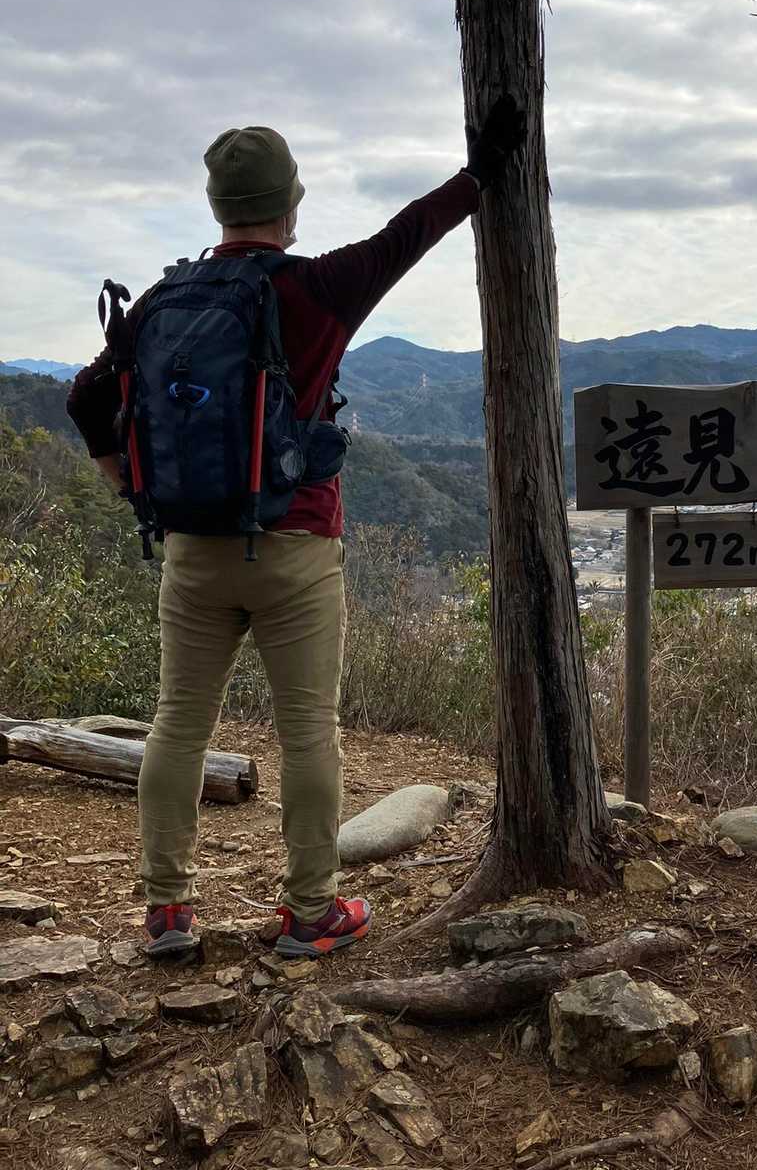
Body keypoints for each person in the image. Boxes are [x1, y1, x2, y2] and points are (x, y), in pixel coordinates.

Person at [67, 97, 525, 958]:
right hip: (296, 545)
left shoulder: (164, 298)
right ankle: (311, 912)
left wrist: (128, 485)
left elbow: (86, 396)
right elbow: (407, 234)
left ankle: (167, 913)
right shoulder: (315, 287)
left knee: (177, 725)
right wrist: (481, 171)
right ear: (290, 203)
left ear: (217, 206)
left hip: (192, 551)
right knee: (308, 730)